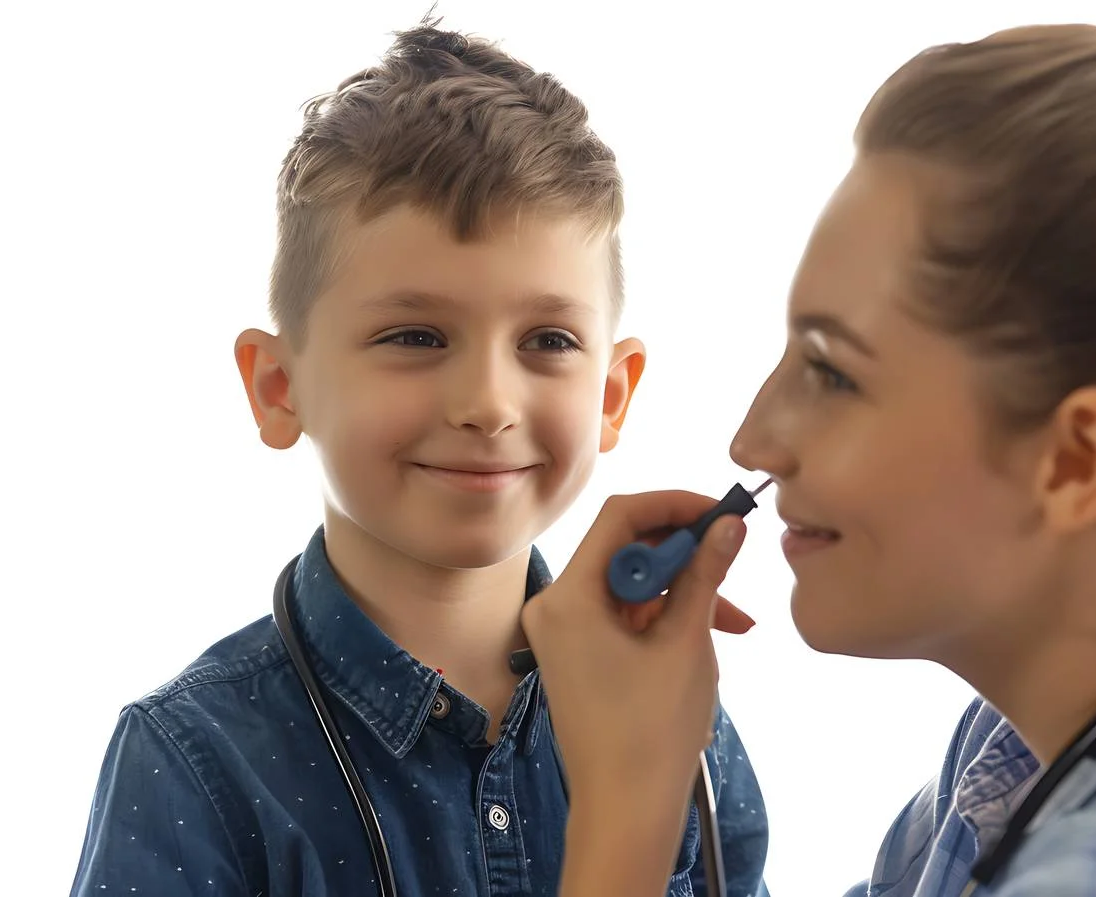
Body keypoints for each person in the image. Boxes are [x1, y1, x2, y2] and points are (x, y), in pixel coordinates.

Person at [520, 22, 1096, 897]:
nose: (754, 442)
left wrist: (629, 800)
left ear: (1076, 461)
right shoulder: (1020, 754)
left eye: (832, 370)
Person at [67, 20, 770, 897]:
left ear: (613, 394)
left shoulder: (675, 721)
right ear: (280, 388)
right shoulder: (193, 762)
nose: (486, 403)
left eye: (547, 339)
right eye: (415, 335)